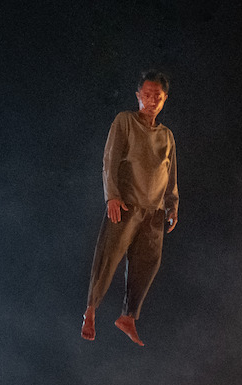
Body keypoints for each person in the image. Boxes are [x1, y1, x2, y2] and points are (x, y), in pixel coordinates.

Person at [81, 69, 179, 347]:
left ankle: (128, 317)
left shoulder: (167, 136)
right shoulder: (125, 122)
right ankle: (90, 310)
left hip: (155, 211)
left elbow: (170, 174)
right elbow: (109, 159)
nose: (151, 101)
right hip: (126, 205)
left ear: (164, 100)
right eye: (146, 95)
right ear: (138, 96)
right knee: (108, 256)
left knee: (148, 264)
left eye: (157, 97)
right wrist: (111, 195)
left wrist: (172, 204)